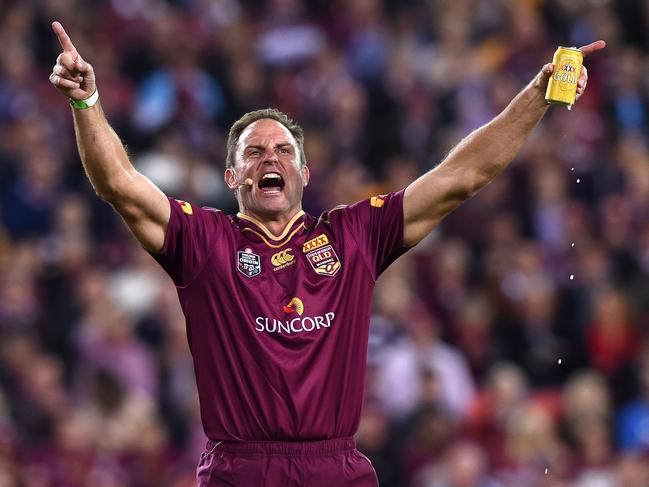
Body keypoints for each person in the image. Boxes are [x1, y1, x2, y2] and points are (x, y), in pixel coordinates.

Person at [49, 20, 604, 486]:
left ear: (304, 174)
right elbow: (120, 183)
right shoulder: (205, 242)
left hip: (334, 466)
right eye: (255, 151)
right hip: (241, 469)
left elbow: (463, 176)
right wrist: (87, 100)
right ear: (232, 175)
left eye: (284, 150)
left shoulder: (352, 236)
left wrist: (535, 96)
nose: (271, 157)